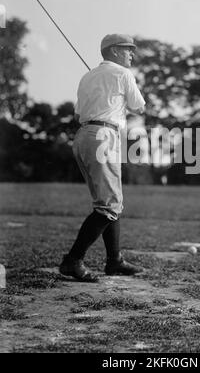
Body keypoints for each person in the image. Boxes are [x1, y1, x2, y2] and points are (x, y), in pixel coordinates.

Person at [59, 34, 146, 282]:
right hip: (103, 136)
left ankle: (114, 261)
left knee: (109, 202)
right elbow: (139, 106)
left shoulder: (88, 76)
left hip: (84, 136)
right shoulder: (122, 74)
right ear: (115, 51)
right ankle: (73, 260)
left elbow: (78, 114)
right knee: (109, 205)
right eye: (129, 50)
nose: (132, 54)